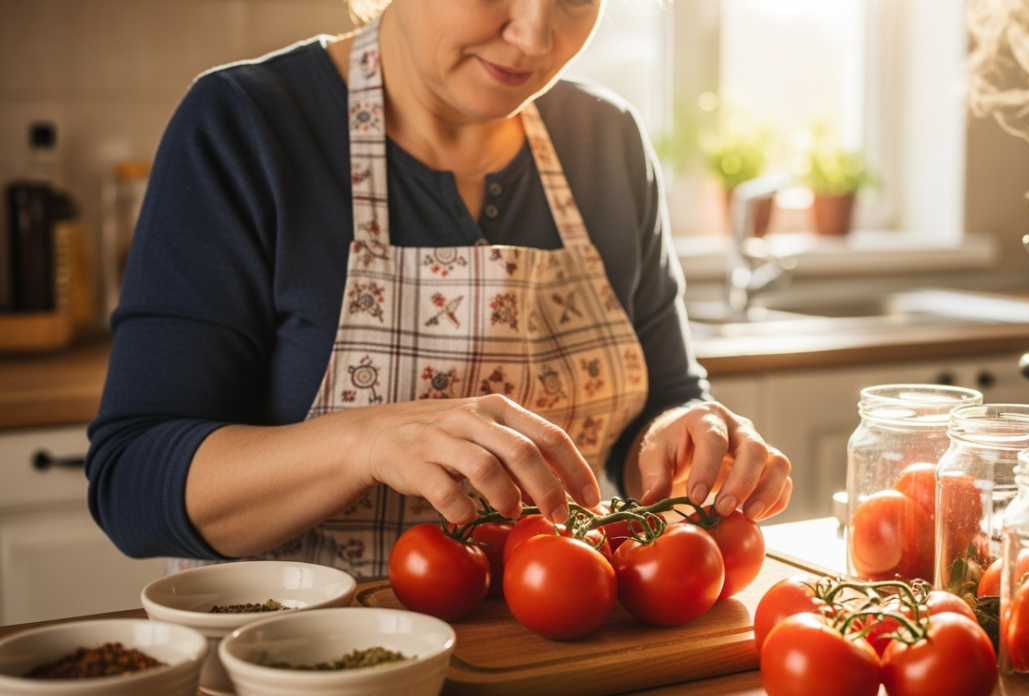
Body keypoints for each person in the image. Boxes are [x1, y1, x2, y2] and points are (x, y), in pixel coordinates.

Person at [86, 0, 793, 578]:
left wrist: (685, 434)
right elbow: (131, 483)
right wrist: (363, 442)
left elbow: (661, 403)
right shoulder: (246, 125)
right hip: (301, 657)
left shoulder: (606, 140)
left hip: (548, 646)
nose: (535, 35)